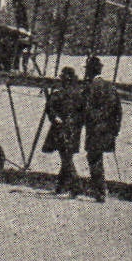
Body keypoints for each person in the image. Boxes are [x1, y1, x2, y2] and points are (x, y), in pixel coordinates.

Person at [81, 55, 124, 203]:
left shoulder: (89, 88)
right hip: (108, 130)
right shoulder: (110, 86)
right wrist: (115, 129)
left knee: (94, 158)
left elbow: (84, 110)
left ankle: (100, 191)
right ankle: (102, 189)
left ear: (89, 72)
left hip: (94, 130)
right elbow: (118, 110)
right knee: (97, 158)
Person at [42, 65, 85, 196]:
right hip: (74, 130)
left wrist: (55, 118)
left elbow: (49, 108)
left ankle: (76, 186)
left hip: (61, 129)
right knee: (67, 157)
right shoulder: (80, 94)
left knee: (66, 158)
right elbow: (84, 113)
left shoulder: (58, 94)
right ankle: (61, 187)